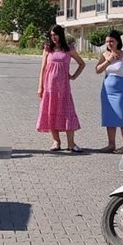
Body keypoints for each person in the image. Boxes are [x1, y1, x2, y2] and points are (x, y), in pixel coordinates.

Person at [36, 24, 85, 152]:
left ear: (61, 35)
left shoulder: (68, 48)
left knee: (68, 113)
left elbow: (81, 63)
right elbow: (43, 69)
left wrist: (73, 76)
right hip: (49, 87)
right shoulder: (48, 49)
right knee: (51, 112)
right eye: (51, 35)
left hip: (64, 88)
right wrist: (40, 87)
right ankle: (56, 141)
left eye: (55, 34)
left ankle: (71, 143)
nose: (53, 37)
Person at [94, 29, 123, 153]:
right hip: (107, 91)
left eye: (111, 41)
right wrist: (109, 60)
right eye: (107, 42)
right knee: (109, 117)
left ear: (118, 41)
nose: (109, 44)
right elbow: (98, 70)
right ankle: (111, 144)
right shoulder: (105, 55)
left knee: (122, 117)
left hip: (120, 90)